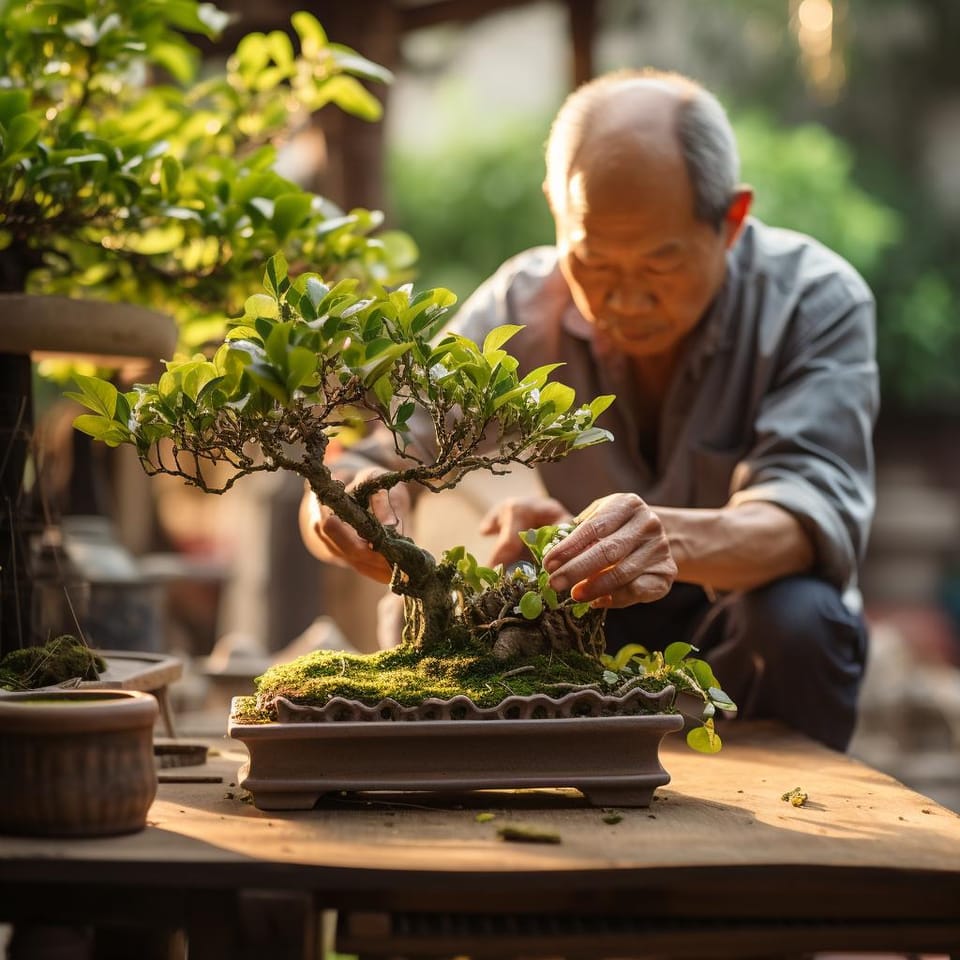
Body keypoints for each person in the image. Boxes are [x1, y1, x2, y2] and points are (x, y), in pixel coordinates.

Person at [300, 68, 879, 752]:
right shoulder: (515, 310)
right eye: (594, 265)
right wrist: (346, 512)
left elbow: (808, 518)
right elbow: (379, 456)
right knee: (471, 614)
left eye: (660, 268)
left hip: (739, 622)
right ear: (557, 211)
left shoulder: (815, 302)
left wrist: (660, 537)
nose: (626, 301)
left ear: (731, 220)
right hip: (579, 617)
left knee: (797, 617)